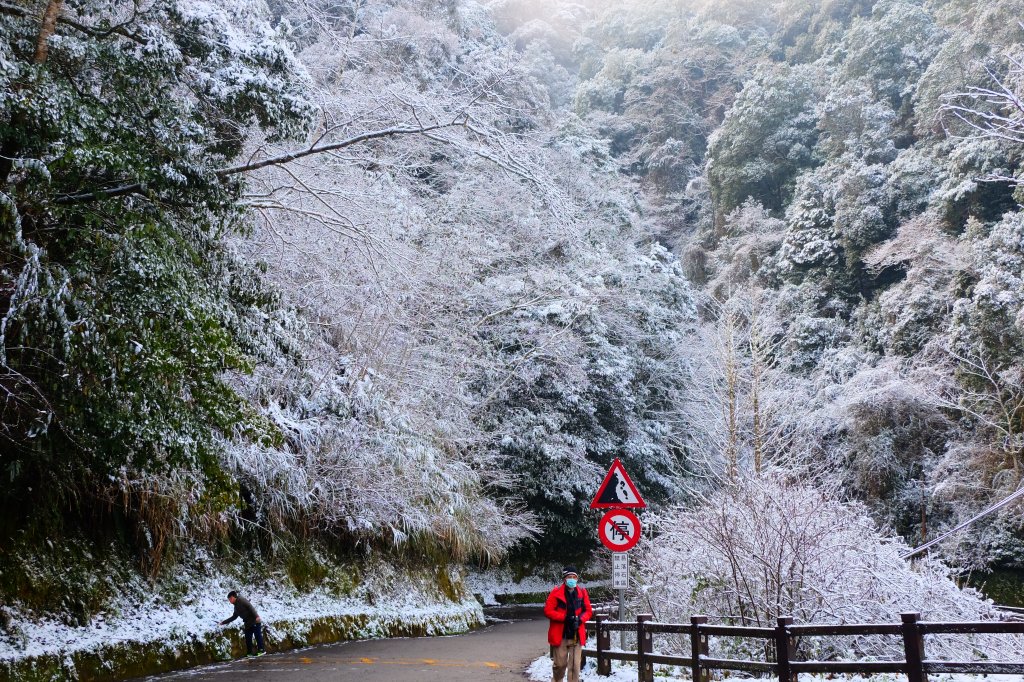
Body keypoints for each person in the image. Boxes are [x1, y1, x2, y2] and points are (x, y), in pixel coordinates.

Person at [543, 566, 592, 682]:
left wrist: (580, 619)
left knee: (575, 666)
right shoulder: (556, 593)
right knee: (560, 665)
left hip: (576, 635)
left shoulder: (582, 593)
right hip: (561, 635)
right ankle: (556, 679)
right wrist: (565, 618)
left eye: (574, 577)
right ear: (564, 579)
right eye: (569, 577)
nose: (572, 579)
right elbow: (548, 611)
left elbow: (588, 611)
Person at [219, 590, 266, 657]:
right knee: (248, 638)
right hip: (247, 623)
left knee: (257, 636)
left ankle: (262, 650)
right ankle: (249, 653)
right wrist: (223, 622)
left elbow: (250, 607)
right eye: (229, 599)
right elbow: (234, 617)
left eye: (230, 599)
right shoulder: (235, 607)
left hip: (254, 620)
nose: (230, 601)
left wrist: (257, 616)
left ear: (234, 597)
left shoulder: (241, 600)